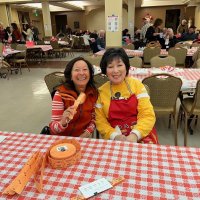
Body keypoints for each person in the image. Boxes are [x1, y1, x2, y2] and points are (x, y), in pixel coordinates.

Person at [95, 48, 158, 144]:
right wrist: (115, 136)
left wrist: (135, 135)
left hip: (141, 133)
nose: (115, 71)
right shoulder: (102, 91)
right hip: (115, 137)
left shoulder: (137, 85)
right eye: (110, 67)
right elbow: (100, 121)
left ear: (126, 67)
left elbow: (147, 114)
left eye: (119, 65)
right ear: (105, 70)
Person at [49, 57, 98, 137]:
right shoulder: (60, 95)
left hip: (82, 139)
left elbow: (94, 118)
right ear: (70, 76)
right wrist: (62, 122)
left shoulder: (93, 94)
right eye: (77, 70)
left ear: (90, 74)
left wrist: (87, 133)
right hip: (61, 139)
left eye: (85, 69)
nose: (81, 73)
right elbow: (53, 129)